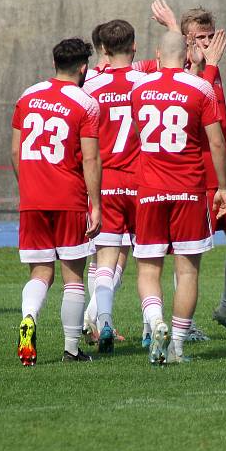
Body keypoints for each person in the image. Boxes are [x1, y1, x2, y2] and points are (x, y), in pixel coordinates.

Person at [149, 0, 226, 340]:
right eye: (199, 38)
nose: (208, 44)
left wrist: (208, 64)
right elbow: (194, 103)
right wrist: (203, 64)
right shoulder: (183, 75)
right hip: (197, 180)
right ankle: (186, 324)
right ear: (185, 41)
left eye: (210, 36)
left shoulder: (212, 68)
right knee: (188, 255)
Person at [131, 31, 226, 364]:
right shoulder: (200, 87)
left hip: (149, 190)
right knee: (187, 272)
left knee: (148, 269)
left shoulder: (139, 88)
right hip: (188, 189)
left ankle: (155, 321)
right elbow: (216, 143)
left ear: (157, 53)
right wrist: (222, 187)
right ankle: (177, 346)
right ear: (187, 51)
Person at [11, 38, 102, 365]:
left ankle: (29, 318)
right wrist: (96, 204)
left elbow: (15, 151)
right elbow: (90, 160)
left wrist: (31, 186)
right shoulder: (85, 103)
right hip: (69, 198)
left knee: (39, 272)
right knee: (73, 276)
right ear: (83, 68)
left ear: (54, 64)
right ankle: (71, 349)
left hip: (32, 198)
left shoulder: (28, 95)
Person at [81, 19, 147, 353]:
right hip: (141, 181)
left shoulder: (90, 87)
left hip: (105, 182)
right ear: (134, 47)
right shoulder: (146, 83)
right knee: (146, 259)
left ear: (103, 51)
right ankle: (152, 327)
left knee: (104, 261)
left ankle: (101, 321)